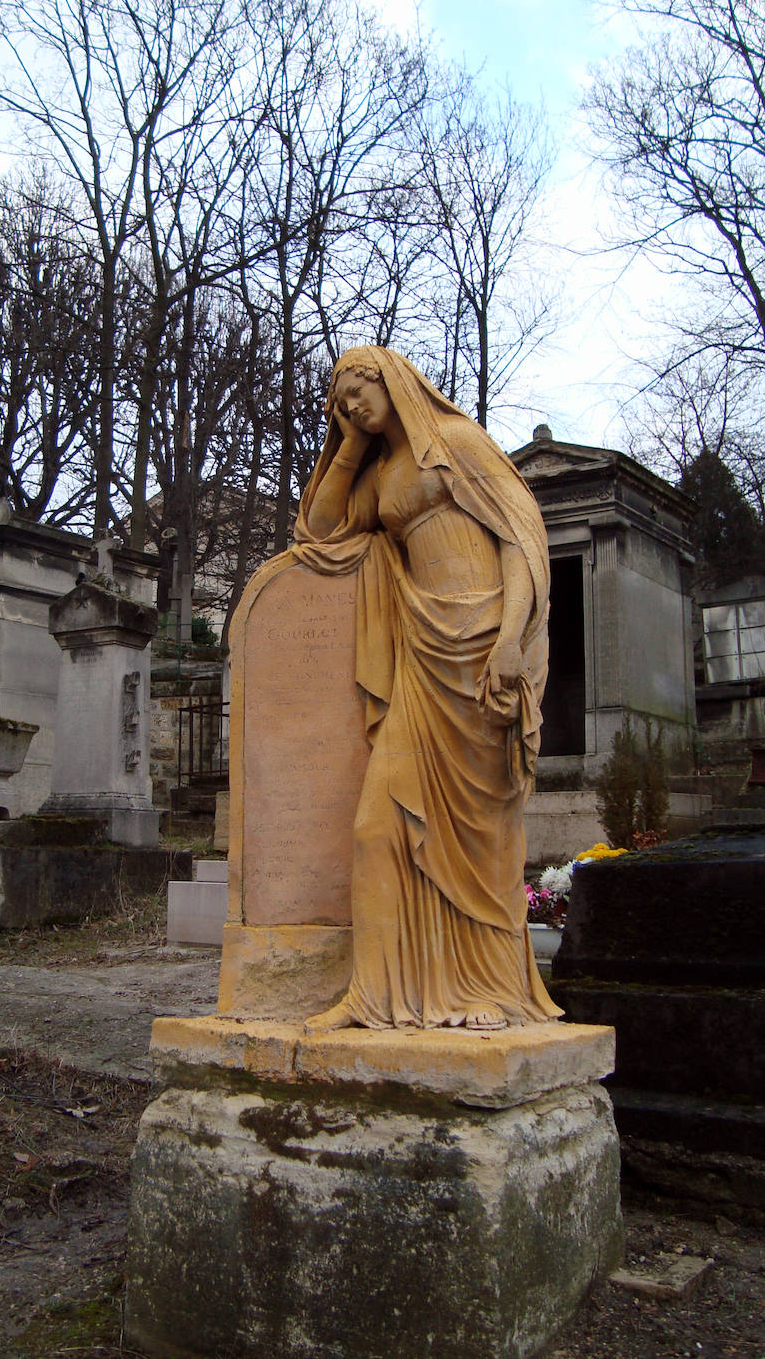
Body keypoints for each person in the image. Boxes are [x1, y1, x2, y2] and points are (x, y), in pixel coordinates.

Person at [296, 346, 562, 1032]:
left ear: (395, 382)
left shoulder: (460, 443)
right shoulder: (379, 468)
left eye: (361, 390)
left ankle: (487, 990)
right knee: (376, 828)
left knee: (478, 837)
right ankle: (375, 995)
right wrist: (348, 447)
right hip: (419, 656)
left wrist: (509, 640)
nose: (353, 404)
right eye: (342, 399)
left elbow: (521, 541)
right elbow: (322, 530)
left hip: (479, 651)